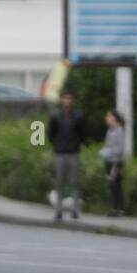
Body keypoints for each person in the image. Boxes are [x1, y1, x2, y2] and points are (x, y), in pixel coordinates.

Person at [46, 90, 85, 221]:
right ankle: (59, 210)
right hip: (60, 152)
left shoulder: (78, 115)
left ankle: (74, 210)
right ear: (62, 100)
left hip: (73, 152)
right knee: (59, 182)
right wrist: (57, 144)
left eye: (70, 98)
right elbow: (50, 133)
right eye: (65, 98)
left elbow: (82, 133)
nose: (67, 101)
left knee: (74, 182)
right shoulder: (55, 116)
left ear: (72, 100)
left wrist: (78, 144)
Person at [99, 110, 126, 216]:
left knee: (115, 185)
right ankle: (116, 208)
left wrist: (106, 153)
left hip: (115, 162)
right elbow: (108, 145)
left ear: (114, 118)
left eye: (108, 116)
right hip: (109, 161)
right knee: (112, 185)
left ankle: (119, 209)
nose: (106, 118)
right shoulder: (110, 131)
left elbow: (119, 149)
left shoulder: (119, 131)